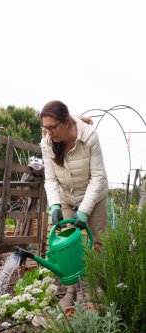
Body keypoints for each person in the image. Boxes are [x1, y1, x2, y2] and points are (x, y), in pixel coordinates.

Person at [40, 100, 108, 308]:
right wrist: (55, 206)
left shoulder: (89, 138)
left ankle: (100, 289)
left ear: (67, 121)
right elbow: (50, 179)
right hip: (66, 197)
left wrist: (85, 211)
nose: (49, 132)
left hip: (94, 195)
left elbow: (98, 176)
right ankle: (71, 292)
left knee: (98, 241)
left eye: (52, 127)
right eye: (45, 128)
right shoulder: (47, 143)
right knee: (66, 244)